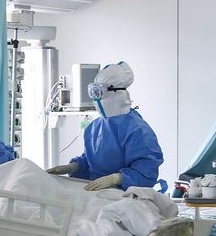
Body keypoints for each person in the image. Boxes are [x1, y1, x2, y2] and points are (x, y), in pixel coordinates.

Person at [47, 61, 163, 191]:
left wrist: (116, 179)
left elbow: (147, 171)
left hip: (125, 198)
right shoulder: (94, 127)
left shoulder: (137, 130)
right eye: (92, 92)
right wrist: (73, 167)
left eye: (98, 92)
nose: (95, 99)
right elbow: (91, 161)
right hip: (98, 196)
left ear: (117, 93)